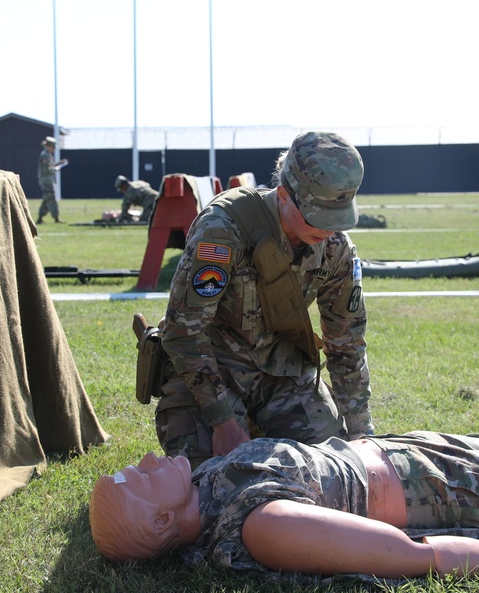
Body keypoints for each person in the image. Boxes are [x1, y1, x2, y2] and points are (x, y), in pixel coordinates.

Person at [90, 424, 479, 579]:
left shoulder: (200, 483)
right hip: (446, 490)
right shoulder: (264, 525)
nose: (145, 461)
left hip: (408, 454)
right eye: (140, 478)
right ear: (163, 519)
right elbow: (412, 555)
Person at [154, 131, 371, 468]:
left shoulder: (336, 249)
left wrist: (360, 435)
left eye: (337, 217)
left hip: (280, 370)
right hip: (212, 368)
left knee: (330, 466)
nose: (328, 230)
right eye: (318, 216)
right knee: (210, 479)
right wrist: (222, 419)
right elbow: (184, 333)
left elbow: (347, 342)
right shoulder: (223, 231)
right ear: (283, 194)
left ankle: (257, 425)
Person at [36, 137, 67, 224]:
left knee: (47, 200)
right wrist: (57, 168)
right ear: (48, 146)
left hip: (48, 180)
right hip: (47, 181)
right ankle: (56, 218)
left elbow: (51, 165)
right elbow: (48, 169)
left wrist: (58, 163)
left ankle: (40, 218)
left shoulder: (47, 155)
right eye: (53, 147)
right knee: (51, 199)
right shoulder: (45, 155)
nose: (53, 149)